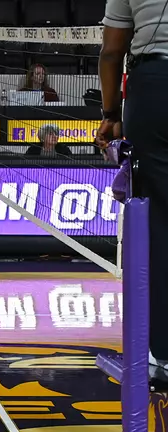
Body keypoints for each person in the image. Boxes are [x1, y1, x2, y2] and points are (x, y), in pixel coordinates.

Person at [99, 0, 168, 367]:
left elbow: (112, 52)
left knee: (158, 222)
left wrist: (111, 114)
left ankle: (163, 351)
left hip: (154, 87)